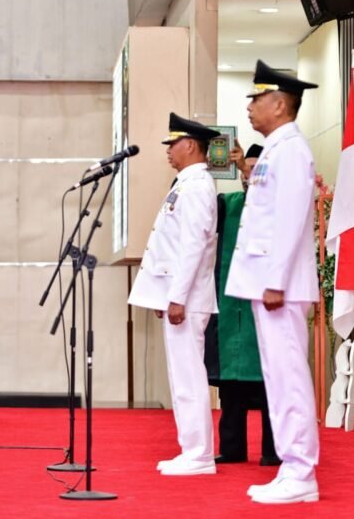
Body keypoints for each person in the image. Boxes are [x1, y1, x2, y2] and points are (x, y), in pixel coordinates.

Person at [225, 60, 320, 504]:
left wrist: (277, 280)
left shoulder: (292, 151)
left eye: (256, 98)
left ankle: (301, 471)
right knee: (276, 378)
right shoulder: (277, 151)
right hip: (266, 283)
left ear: (280, 104)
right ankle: (291, 466)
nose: (250, 107)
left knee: (289, 376)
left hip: (278, 285)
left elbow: (290, 220)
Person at [128, 113, 220, 476]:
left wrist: (177, 297)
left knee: (189, 378)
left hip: (190, 297)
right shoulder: (185, 184)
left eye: (173, 144)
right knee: (182, 377)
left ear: (191, 145)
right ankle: (191, 450)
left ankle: (198, 455)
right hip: (180, 295)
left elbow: (193, 245)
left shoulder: (197, 186)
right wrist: (163, 296)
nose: (169, 151)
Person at [205, 142, 280, 467]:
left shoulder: (275, 205)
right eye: (244, 169)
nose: (248, 175)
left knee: (268, 384)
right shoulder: (229, 203)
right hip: (231, 306)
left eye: (254, 169)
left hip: (264, 305)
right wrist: (205, 168)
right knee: (231, 384)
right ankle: (233, 447)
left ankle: (274, 450)